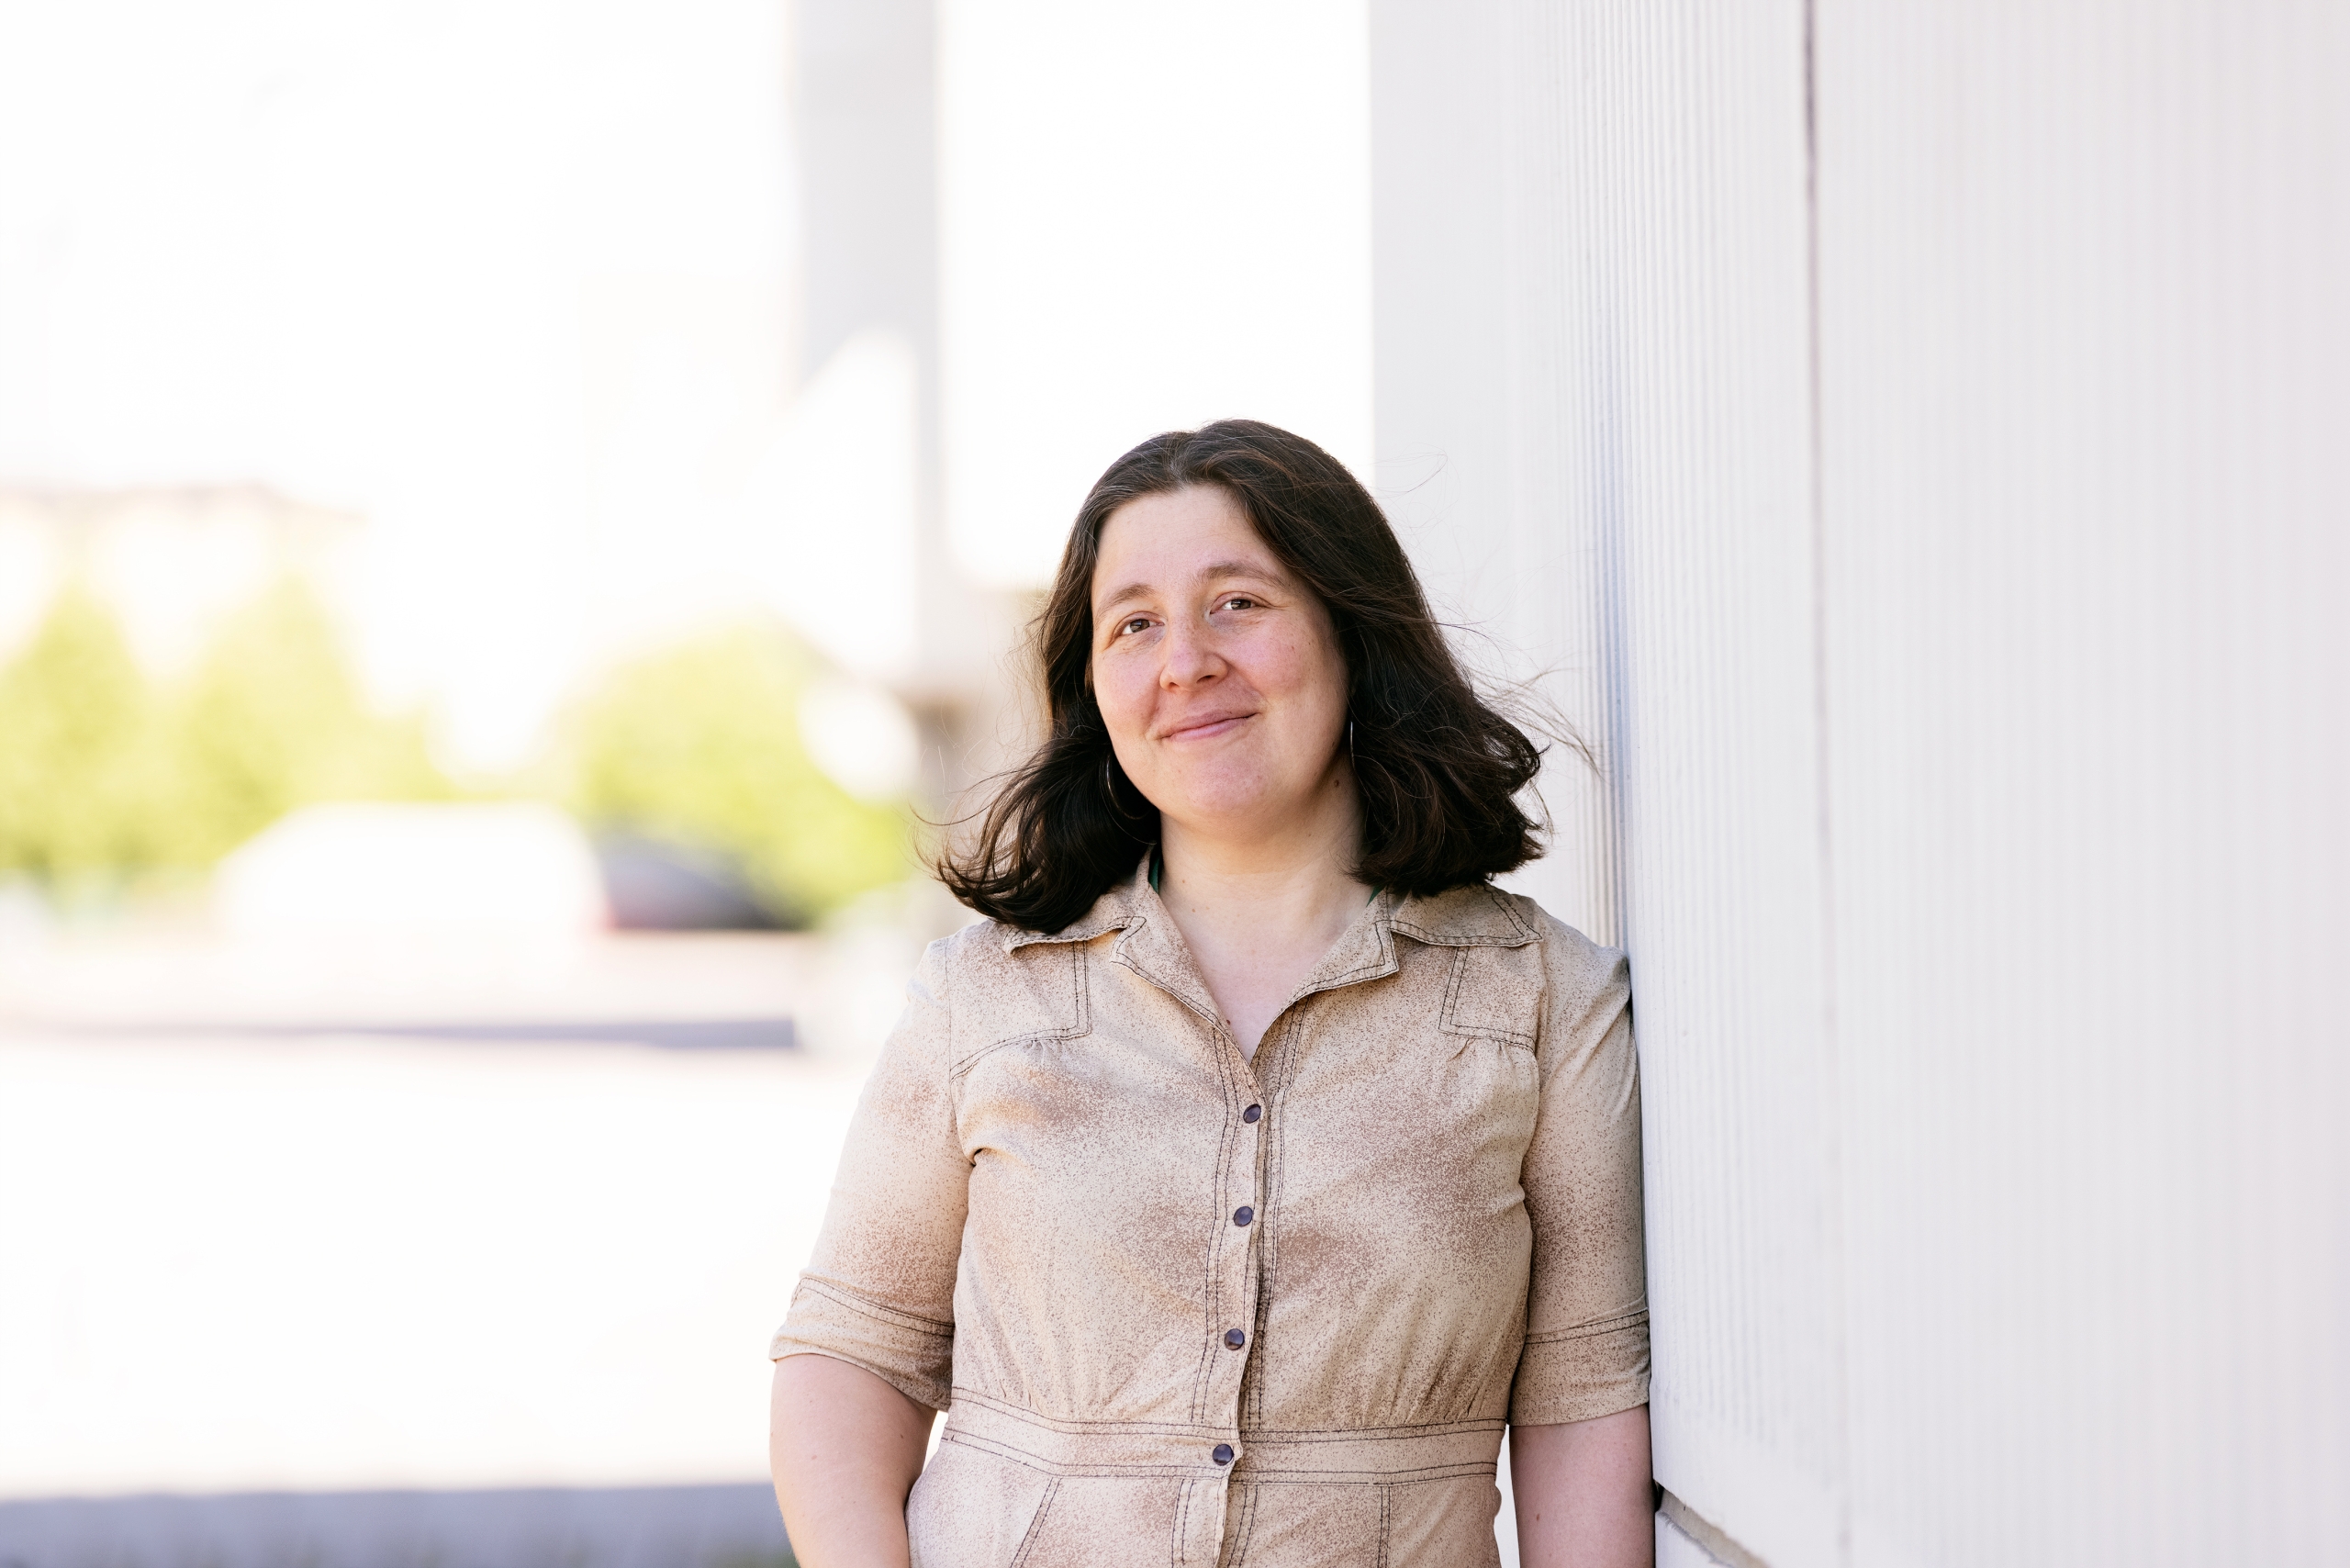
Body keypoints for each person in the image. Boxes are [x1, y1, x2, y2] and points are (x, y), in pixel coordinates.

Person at [767, 420, 1651, 1567]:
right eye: (1133, 623)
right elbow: (854, 1351)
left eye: (1238, 601)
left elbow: (1582, 1406)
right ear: (1094, 687)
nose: (1184, 660)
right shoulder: (980, 998)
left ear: (1351, 631)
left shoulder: (1543, 1002)